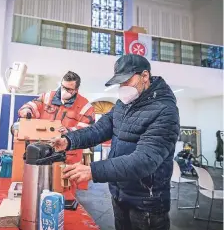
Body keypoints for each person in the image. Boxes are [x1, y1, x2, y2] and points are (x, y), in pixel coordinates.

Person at [51, 54, 180, 230]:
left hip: (146, 202)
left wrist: (93, 170)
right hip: (119, 193)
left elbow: (145, 160)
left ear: (144, 76)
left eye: (126, 81)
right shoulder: (123, 104)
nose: (123, 87)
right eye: (120, 83)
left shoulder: (165, 111)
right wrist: (68, 140)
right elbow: (99, 129)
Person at [18, 71, 95, 192]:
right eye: (63, 87)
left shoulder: (85, 106)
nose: (64, 91)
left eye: (69, 89)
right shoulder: (48, 96)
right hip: (42, 150)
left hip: (68, 155)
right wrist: (27, 110)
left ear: (76, 89)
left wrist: (69, 131)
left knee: (64, 190)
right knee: (36, 185)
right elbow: (33, 104)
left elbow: (88, 131)